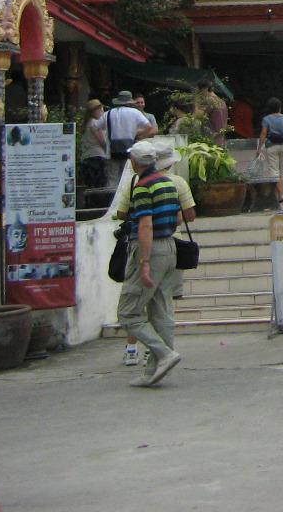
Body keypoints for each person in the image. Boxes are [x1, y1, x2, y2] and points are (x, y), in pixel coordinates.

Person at [115, 140, 185, 387]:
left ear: (135, 162)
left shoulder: (143, 186)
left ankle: (164, 353)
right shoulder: (168, 182)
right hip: (169, 246)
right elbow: (177, 217)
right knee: (159, 307)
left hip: (150, 248)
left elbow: (145, 225)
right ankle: (154, 369)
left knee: (128, 311)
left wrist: (144, 262)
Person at [104, 92, 155, 185]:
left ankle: (112, 197)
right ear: (130, 101)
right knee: (128, 175)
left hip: (112, 150)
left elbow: (97, 127)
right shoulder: (135, 112)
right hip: (129, 148)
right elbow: (149, 127)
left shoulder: (108, 113)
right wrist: (138, 135)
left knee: (113, 177)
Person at [258, 97, 283, 203]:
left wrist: (259, 148)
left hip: (272, 146)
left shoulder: (266, 119)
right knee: (279, 171)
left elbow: (263, 133)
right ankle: (276, 195)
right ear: (280, 107)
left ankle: (281, 194)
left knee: (274, 171)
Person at [78, 99, 109, 189]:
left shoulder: (87, 123)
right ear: (94, 111)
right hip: (97, 156)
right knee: (99, 185)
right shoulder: (95, 123)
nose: (102, 112)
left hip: (86, 157)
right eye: (101, 109)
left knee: (90, 185)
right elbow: (102, 141)